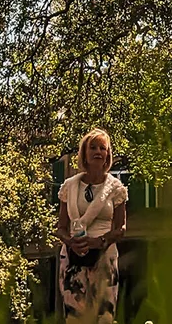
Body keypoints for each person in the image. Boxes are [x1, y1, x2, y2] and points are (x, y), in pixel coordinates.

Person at [55, 128, 128, 324]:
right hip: (73, 258)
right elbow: (61, 226)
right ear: (84, 155)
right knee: (75, 318)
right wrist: (71, 242)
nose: (98, 152)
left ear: (107, 155)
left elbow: (121, 228)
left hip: (104, 257)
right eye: (92, 147)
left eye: (102, 148)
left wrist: (100, 241)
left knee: (103, 316)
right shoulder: (69, 187)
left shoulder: (116, 188)